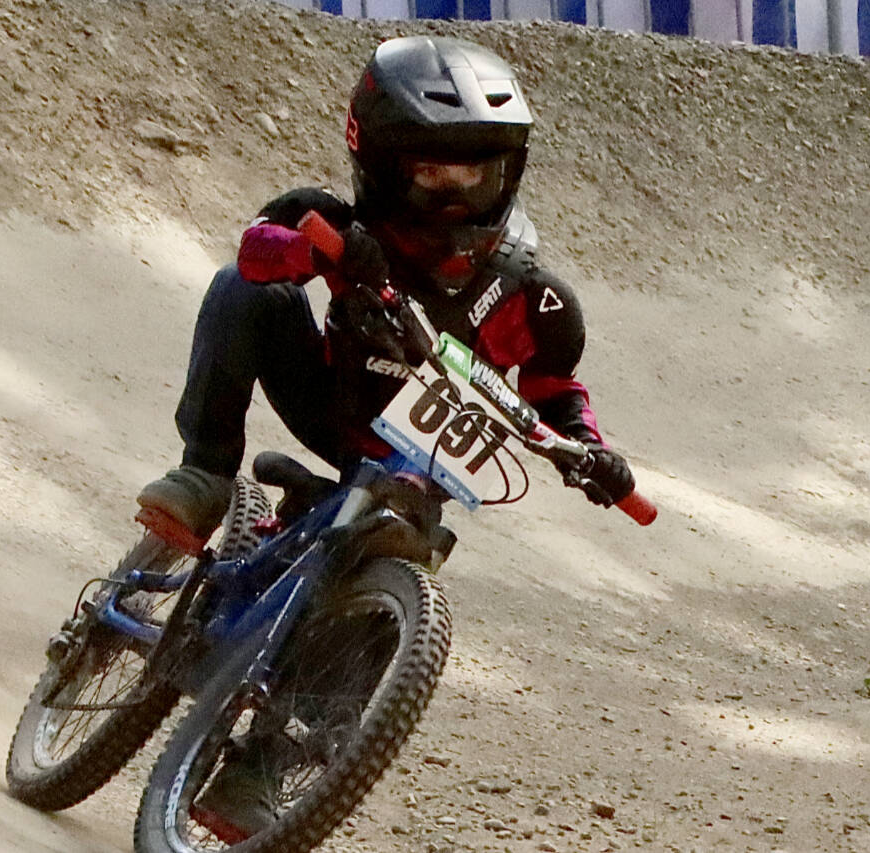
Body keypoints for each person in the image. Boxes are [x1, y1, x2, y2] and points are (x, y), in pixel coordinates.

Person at [134, 35, 636, 837]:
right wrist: (317, 250)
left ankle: (265, 761)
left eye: (475, 175)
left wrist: (590, 447)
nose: (453, 196)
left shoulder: (529, 295)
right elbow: (257, 252)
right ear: (380, 158)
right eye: (431, 173)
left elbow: (554, 387)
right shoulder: (341, 221)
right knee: (245, 296)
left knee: (396, 574)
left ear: (509, 172)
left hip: (413, 461)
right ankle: (202, 475)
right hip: (328, 403)